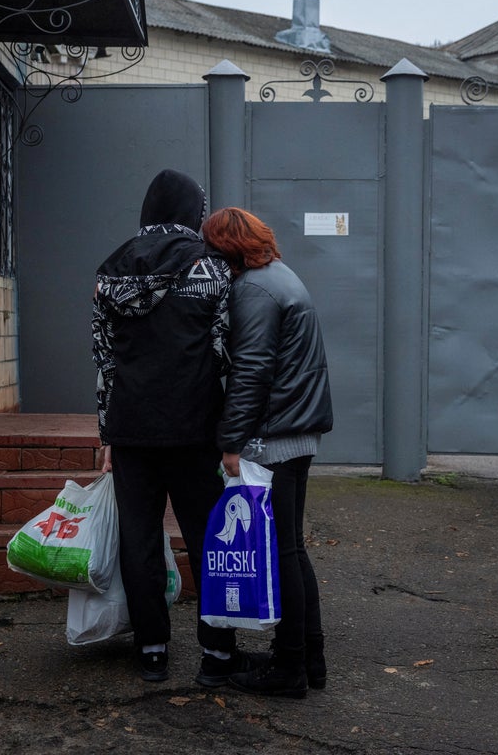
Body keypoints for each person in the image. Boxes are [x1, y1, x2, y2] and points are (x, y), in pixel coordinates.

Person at [91, 169, 262, 685]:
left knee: (139, 540)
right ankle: (217, 655)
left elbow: (103, 360)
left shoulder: (111, 269)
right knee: (210, 539)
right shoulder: (213, 269)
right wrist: (236, 437)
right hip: (194, 432)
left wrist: (106, 434)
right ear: (194, 211)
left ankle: (152, 649)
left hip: (131, 431)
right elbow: (225, 356)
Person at [200, 207, 334, 699]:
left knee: (283, 552)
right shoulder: (281, 277)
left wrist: (231, 442)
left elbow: (251, 371)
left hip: (274, 437)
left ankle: (290, 669)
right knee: (292, 550)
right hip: (296, 430)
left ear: (226, 249)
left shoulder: (254, 290)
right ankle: (309, 659)